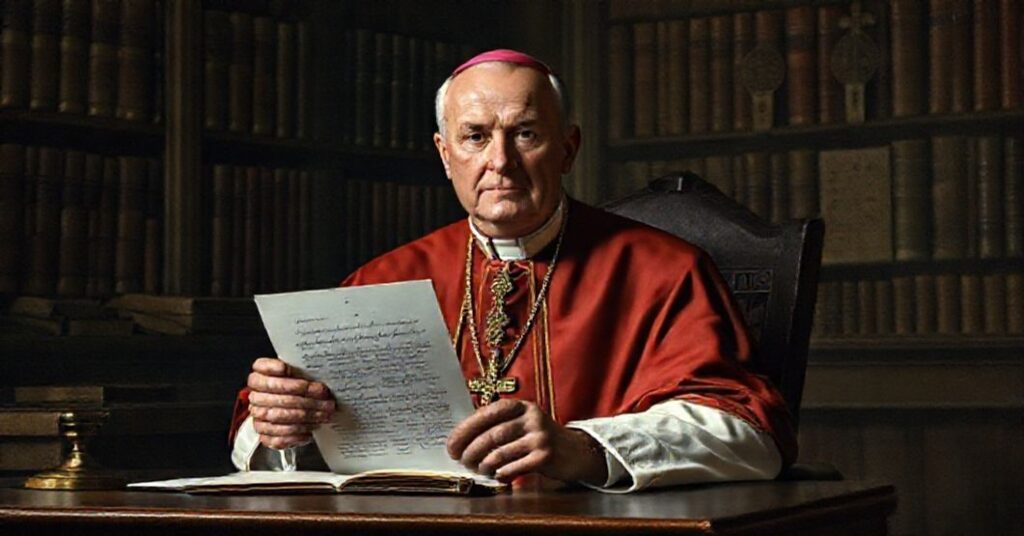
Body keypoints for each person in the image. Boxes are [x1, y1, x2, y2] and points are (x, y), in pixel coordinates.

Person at [230, 49, 796, 492]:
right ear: (445, 154)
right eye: (474, 137)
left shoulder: (662, 271)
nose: (499, 161)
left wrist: (581, 449)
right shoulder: (381, 280)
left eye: (525, 134)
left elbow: (751, 435)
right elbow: (282, 448)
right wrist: (281, 427)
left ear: (568, 149)